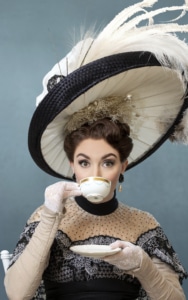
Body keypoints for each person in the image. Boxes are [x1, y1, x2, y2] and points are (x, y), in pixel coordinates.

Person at [4, 1, 188, 299]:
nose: (96, 173)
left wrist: (143, 265)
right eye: (84, 162)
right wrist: (51, 214)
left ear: (124, 165)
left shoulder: (144, 224)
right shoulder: (46, 216)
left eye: (108, 162)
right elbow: (17, 294)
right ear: (71, 164)